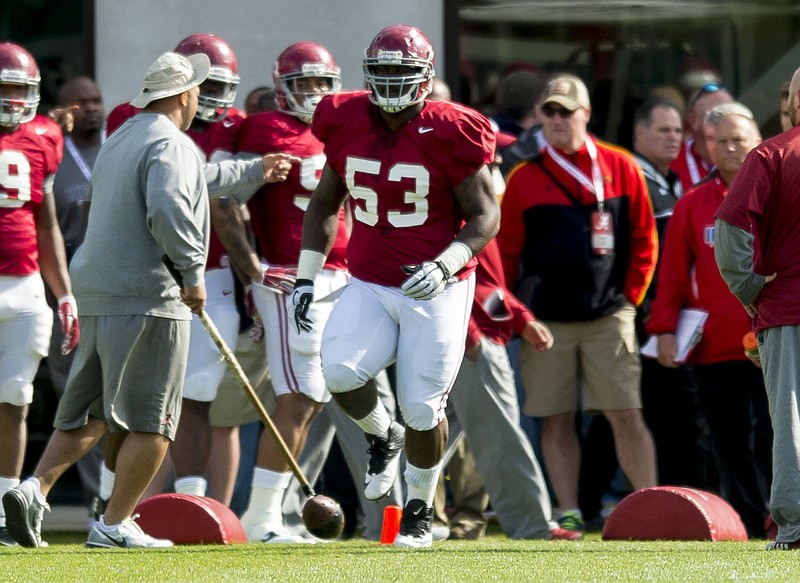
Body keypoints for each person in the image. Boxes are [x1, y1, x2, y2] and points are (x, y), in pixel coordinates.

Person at [2, 51, 297, 549]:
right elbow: (169, 207)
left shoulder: (122, 139)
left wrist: (255, 170)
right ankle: (115, 524)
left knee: (90, 409)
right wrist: (191, 274)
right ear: (183, 95)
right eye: (196, 89)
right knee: (155, 417)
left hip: (98, 289)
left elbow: (198, 180)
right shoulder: (172, 143)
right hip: (150, 293)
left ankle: (34, 489)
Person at [290, 24, 500, 548]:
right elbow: (323, 204)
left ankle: (419, 509)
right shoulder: (344, 119)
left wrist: (448, 264)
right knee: (338, 373)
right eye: (380, 72)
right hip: (369, 281)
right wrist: (305, 277)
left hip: (437, 287)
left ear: (425, 77)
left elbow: (484, 216)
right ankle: (385, 435)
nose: (389, 83)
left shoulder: (451, 129)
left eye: (400, 73)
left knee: (425, 407)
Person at [235, 40, 401, 543]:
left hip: (343, 275)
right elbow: (229, 203)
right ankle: (260, 518)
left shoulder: (343, 128)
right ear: (282, 88)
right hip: (292, 274)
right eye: (303, 83)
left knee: (328, 391)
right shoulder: (265, 129)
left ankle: (273, 515)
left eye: (323, 83)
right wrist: (254, 269)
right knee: (300, 395)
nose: (314, 92)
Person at [497, 74, 659, 536]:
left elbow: (644, 238)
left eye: (566, 112)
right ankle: (567, 510)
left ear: (586, 114)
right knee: (555, 419)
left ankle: (645, 507)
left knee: (626, 413)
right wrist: (518, 315)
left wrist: (629, 298)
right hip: (547, 322)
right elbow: (508, 254)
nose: (556, 120)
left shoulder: (620, 165)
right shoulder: (523, 176)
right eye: (548, 111)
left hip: (609, 316)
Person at [648, 102, 771, 538]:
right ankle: (747, 520)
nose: (730, 148)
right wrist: (663, 330)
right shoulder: (693, 203)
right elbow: (674, 273)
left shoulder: (782, 193)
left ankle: (778, 515)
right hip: (714, 346)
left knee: (771, 435)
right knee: (727, 439)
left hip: (771, 338)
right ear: (708, 148)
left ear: (758, 140)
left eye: (739, 139)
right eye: (720, 141)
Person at [713, 92, 800, 551]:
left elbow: (729, 228)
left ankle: (795, 527)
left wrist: (748, 287)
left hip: (788, 308)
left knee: (791, 423)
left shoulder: (771, 154)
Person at [0, 42, 79, 547]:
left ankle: (6, 510)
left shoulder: (45, 136)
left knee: (15, 398)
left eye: (20, 90)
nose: (13, 100)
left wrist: (64, 293)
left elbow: (47, 222)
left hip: (26, 283)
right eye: (5, 89)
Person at [631, 97, 708, 489]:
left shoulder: (674, 181)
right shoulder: (636, 179)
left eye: (678, 131)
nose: (673, 138)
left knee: (663, 412)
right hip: (649, 318)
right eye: (663, 130)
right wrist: (646, 311)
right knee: (655, 412)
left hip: (677, 316)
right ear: (639, 133)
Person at [45, 76, 106, 514]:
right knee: (78, 398)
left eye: (96, 100)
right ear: (59, 109)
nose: (91, 108)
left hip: (113, 287)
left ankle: (116, 499)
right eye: (80, 102)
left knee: (115, 397)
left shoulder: (115, 146)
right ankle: (92, 504)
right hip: (64, 295)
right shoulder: (50, 152)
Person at [670, 82, 733, 190]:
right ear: (693, 120)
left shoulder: (749, 161)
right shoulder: (672, 163)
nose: (725, 120)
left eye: (730, 114)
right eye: (716, 114)